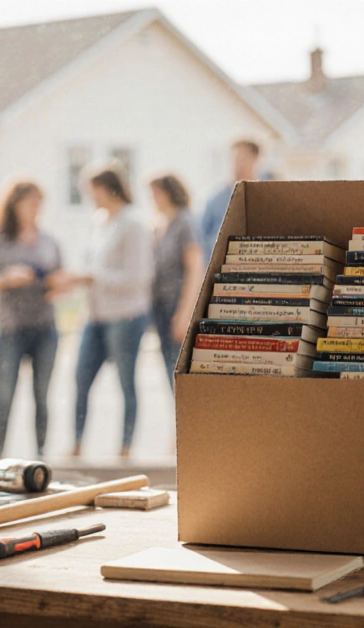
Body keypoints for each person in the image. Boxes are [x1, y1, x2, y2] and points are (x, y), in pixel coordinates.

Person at [62, 166, 153, 458]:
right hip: (96, 316)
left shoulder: (133, 224)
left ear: (108, 188)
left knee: (126, 382)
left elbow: (138, 277)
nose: (89, 197)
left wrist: (94, 277)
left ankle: (125, 447)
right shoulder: (99, 222)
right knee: (81, 378)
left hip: (125, 316)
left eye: (93, 190)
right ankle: (76, 444)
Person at [0, 181, 65, 459]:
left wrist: (55, 285)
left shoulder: (49, 241)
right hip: (11, 328)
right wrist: (7, 278)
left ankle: (40, 456)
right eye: (30, 203)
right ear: (14, 205)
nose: (36, 210)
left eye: (39, 204)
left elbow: (62, 279)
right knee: (5, 396)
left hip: (45, 328)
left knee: (42, 396)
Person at [148, 174, 204, 385]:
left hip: (178, 304)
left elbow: (195, 269)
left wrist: (185, 314)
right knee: (169, 370)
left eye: (155, 193)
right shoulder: (160, 225)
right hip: (160, 306)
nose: (152, 199)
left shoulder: (185, 222)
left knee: (181, 371)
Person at [198, 139, 260, 250]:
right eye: (234, 159)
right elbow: (202, 237)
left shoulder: (266, 197)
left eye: (242, 159)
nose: (237, 164)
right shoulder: (216, 200)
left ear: (255, 160)